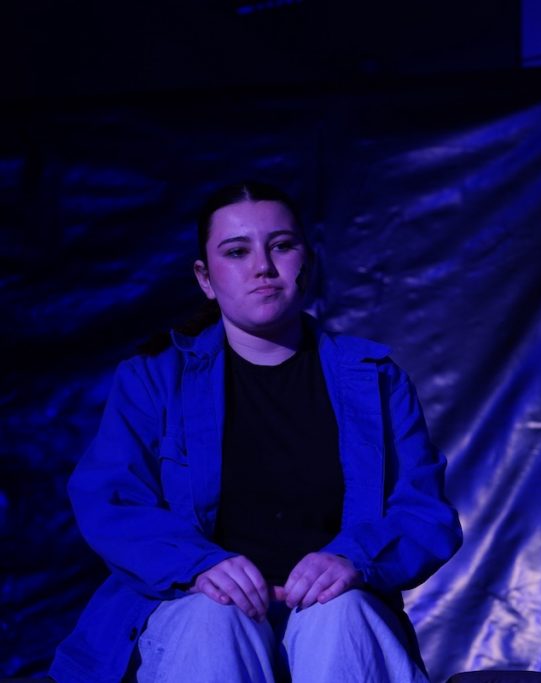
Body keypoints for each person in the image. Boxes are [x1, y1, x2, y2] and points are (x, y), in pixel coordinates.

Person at [50, 182, 462, 683]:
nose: (262, 267)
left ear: (307, 263)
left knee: (341, 614)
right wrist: (198, 565)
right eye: (236, 251)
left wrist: (354, 559)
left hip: (331, 616)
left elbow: (424, 513)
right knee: (214, 616)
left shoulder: (375, 378)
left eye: (281, 246)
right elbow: (110, 501)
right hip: (197, 613)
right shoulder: (152, 379)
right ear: (205, 278)